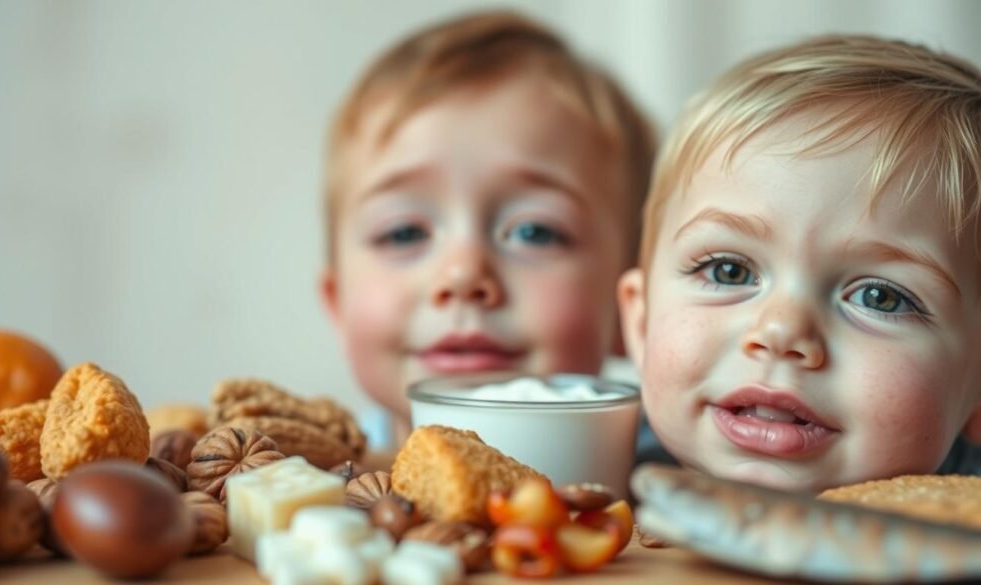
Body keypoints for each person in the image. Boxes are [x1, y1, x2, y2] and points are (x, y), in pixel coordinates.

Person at [619, 34, 981, 492]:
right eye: (729, 270)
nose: (781, 331)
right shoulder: (578, 482)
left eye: (879, 297)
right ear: (640, 321)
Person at [319, 10, 657, 444]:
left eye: (534, 231)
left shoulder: (688, 489)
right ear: (336, 303)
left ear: (634, 313)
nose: (462, 275)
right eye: (404, 232)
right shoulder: (313, 484)